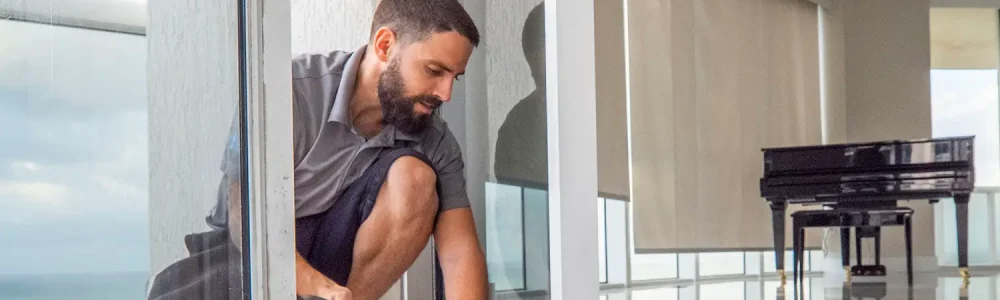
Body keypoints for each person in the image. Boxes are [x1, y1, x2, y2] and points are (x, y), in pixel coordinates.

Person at [206, 0, 488, 299]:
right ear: (385, 45)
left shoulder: (435, 140)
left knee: (415, 177)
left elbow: (459, 253)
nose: (445, 94)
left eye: (453, 77)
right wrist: (318, 286)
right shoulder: (287, 91)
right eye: (434, 71)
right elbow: (241, 213)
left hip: (340, 273)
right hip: (248, 257)